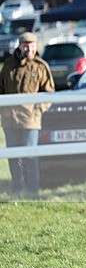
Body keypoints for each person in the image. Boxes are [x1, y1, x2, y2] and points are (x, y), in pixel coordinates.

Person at [0, 32, 54, 196]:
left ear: (36, 46)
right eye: (25, 45)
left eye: (31, 45)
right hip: (10, 120)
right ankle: (16, 187)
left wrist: (37, 110)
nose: (28, 48)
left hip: (31, 120)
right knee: (13, 156)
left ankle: (33, 188)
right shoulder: (8, 66)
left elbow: (49, 93)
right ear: (20, 46)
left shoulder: (40, 66)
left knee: (31, 155)